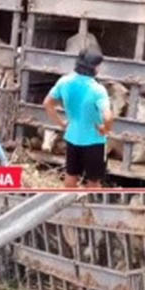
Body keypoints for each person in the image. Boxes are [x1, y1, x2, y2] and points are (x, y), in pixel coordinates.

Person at [43, 50, 114, 188]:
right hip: (94, 141)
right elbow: (108, 116)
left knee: (70, 176)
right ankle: (90, 203)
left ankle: (69, 202)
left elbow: (47, 103)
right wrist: (105, 129)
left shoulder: (64, 82)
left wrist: (61, 123)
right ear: (95, 67)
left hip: (72, 137)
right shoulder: (98, 90)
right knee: (94, 181)